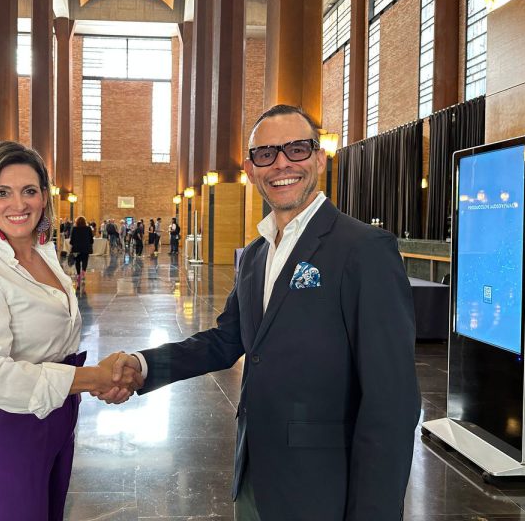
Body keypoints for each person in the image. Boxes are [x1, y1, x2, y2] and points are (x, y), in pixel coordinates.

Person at [102, 105, 421, 521]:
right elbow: (225, 340)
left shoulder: (363, 249)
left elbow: (392, 401)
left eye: (297, 149)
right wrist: (142, 365)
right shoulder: (255, 255)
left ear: (320, 158)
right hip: (254, 475)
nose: (282, 163)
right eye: (267, 154)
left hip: (325, 489)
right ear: (252, 170)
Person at [0, 142, 142, 521]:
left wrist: (90, 382)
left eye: (29, 191)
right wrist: (94, 377)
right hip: (3, 425)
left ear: (44, 198)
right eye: (3, 192)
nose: (19, 204)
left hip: (55, 417)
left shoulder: (43, 255)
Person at [70, 215, 94, 284]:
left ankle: (78, 274)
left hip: (76, 248)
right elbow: (91, 240)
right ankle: (83, 272)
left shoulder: (74, 228)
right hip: (86, 248)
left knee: (77, 261)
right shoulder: (88, 228)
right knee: (85, 260)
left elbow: (72, 240)